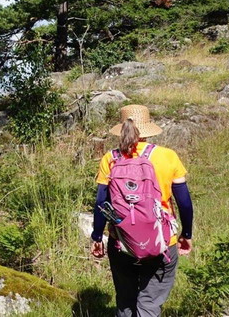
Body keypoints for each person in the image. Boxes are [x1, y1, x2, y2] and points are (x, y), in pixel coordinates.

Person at [90, 104, 194, 317]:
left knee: (126, 300)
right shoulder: (167, 156)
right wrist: (186, 234)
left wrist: (97, 236)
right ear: (148, 129)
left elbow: (102, 203)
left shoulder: (110, 159)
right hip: (162, 242)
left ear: (122, 128)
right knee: (150, 303)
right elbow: (184, 203)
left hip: (121, 241)